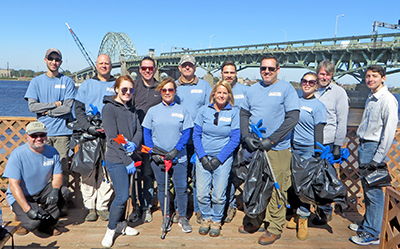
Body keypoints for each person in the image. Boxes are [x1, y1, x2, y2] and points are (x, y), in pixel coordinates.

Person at [239, 54, 300, 245]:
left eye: (270, 69)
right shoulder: (253, 89)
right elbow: (244, 113)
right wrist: (246, 136)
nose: (266, 71)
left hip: (278, 148)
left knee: (278, 188)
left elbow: (293, 117)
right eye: (263, 68)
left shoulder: (286, 89)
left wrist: (272, 140)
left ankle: (274, 227)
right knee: (257, 185)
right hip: (257, 149)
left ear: (278, 70)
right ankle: (256, 219)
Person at [349, 65, 398, 246]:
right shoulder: (372, 97)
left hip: (373, 149)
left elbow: (389, 132)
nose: (370, 79)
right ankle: (368, 224)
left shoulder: (387, 100)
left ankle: (372, 233)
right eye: (368, 76)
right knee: (367, 190)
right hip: (364, 147)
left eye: (374, 76)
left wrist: (377, 159)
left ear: (383, 78)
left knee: (375, 192)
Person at [142, 76, 194, 233]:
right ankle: (166, 216)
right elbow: (146, 132)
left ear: (175, 91)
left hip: (179, 157)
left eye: (170, 89)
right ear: (160, 92)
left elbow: (186, 133)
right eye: (164, 90)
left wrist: (176, 150)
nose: (167, 92)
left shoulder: (182, 110)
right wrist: (153, 151)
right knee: (163, 188)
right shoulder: (153, 111)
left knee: (181, 187)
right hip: (159, 158)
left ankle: (182, 216)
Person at [3, 122, 70, 236]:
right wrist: (27, 209)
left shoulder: (52, 152)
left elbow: (58, 176)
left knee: (63, 191)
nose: (38, 138)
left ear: (46, 136)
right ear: (27, 136)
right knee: (32, 224)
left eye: (42, 135)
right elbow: (14, 185)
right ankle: (30, 220)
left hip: (42, 190)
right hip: (21, 195)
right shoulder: (18, 154)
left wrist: (54, 191)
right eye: (34, 136)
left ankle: (49, 222)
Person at [193, 80, 240, 237]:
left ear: (229, 95)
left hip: (223, 160)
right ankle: (206, 217)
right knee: (201, 192)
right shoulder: (203, 111)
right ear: (213, 94)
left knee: (219, 194)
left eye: (225, 93)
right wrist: (203, 156)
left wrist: (219, 159)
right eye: (219, 92)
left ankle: (216, 220)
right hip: (203, 157)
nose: (221, 95)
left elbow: (234, 139)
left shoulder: (234, 113)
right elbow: (196, 135)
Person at [24, 48, 76, 187]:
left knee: (62, 168)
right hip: (41, 133)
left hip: (62, 133)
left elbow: (67, 107)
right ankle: (45, 202)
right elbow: (33, 107)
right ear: (45, 60)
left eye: (57, 59)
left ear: (61, 62)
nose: (54, 62)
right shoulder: (36, 82)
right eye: (51, 59)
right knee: (42, 169)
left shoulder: (68, 82)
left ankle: (61, 202)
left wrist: (48, 112)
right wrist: (55, 104)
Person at [101, 75, 142, 247]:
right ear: (116, 89)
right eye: (124, 89)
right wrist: (126, 161)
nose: (127, 93)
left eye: (130, 90)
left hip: (130, 158)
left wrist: (134, 143)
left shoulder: (132, 109)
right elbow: (112, 139)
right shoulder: (109, 109)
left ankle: (122, 225)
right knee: (122, 195)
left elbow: (139, 129)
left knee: (127, 195)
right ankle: (111, 230)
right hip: (116, 159)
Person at [74, 54, 115, 222]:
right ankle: (90, 206)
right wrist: (87, 127)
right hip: (90, 133)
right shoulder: (86, 85)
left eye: (107, 63)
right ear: (96, 66)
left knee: (108, 171)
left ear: (111, 66)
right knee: (88, 170)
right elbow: (78, 109)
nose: (104, 66)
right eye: (101, 63)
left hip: (110, 132)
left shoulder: (117, 84)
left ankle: (102, 206)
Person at [286, 72, 326, 240]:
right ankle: (295, 214)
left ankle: (303, 219)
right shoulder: (295, 101)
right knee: (294, 184)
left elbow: (319, 132)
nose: (307, 84)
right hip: (293, 147)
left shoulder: (318, 106)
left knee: (306, 187)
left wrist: (318, 154)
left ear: (316, 85)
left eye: (311, 82)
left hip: (309, 150)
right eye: (304, 81)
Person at [175, 54, 212, 223]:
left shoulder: (204, 86)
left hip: (199, 139)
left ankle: (198, 208)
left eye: (190, 65)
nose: (187, 68)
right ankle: (179, 208)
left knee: (199, 175)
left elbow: (210, 110)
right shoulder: (173, 86)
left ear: (195, 68)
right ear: (179, 68)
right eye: (184, 65)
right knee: (180, 175)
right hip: (180, 139)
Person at [313, 60, 349, 225]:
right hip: (311, 142)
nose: (324, 77)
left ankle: (325, 212)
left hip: (327, 143)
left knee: (326, 179)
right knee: (310, 177)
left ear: (332, 75)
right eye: (321, 73)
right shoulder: (312, 89)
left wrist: (338, 145)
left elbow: (342, 121)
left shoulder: (339, 93)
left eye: (327, 74)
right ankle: (309, 210)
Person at [132, 56, 162, 223]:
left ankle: (147, 207)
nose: (147, 71)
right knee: (135, 173)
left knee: (148, 174)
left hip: (153, 140)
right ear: (140, 70)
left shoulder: (161, 88)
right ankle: (134, 207)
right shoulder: (133, 86)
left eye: (150, 68)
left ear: (155, 69)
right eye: (144, 68)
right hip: (136, 139)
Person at [220, 60, 249, 223]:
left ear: (236, 73)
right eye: (226, 72)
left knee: (242, 174)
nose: (229, 75)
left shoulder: (246, 91)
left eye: (232, 72)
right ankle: (227, 204)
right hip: (224, 140)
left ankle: (244, 204)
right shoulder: (219, 90)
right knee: (227, 174)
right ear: (221, 74)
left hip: (242, 140)